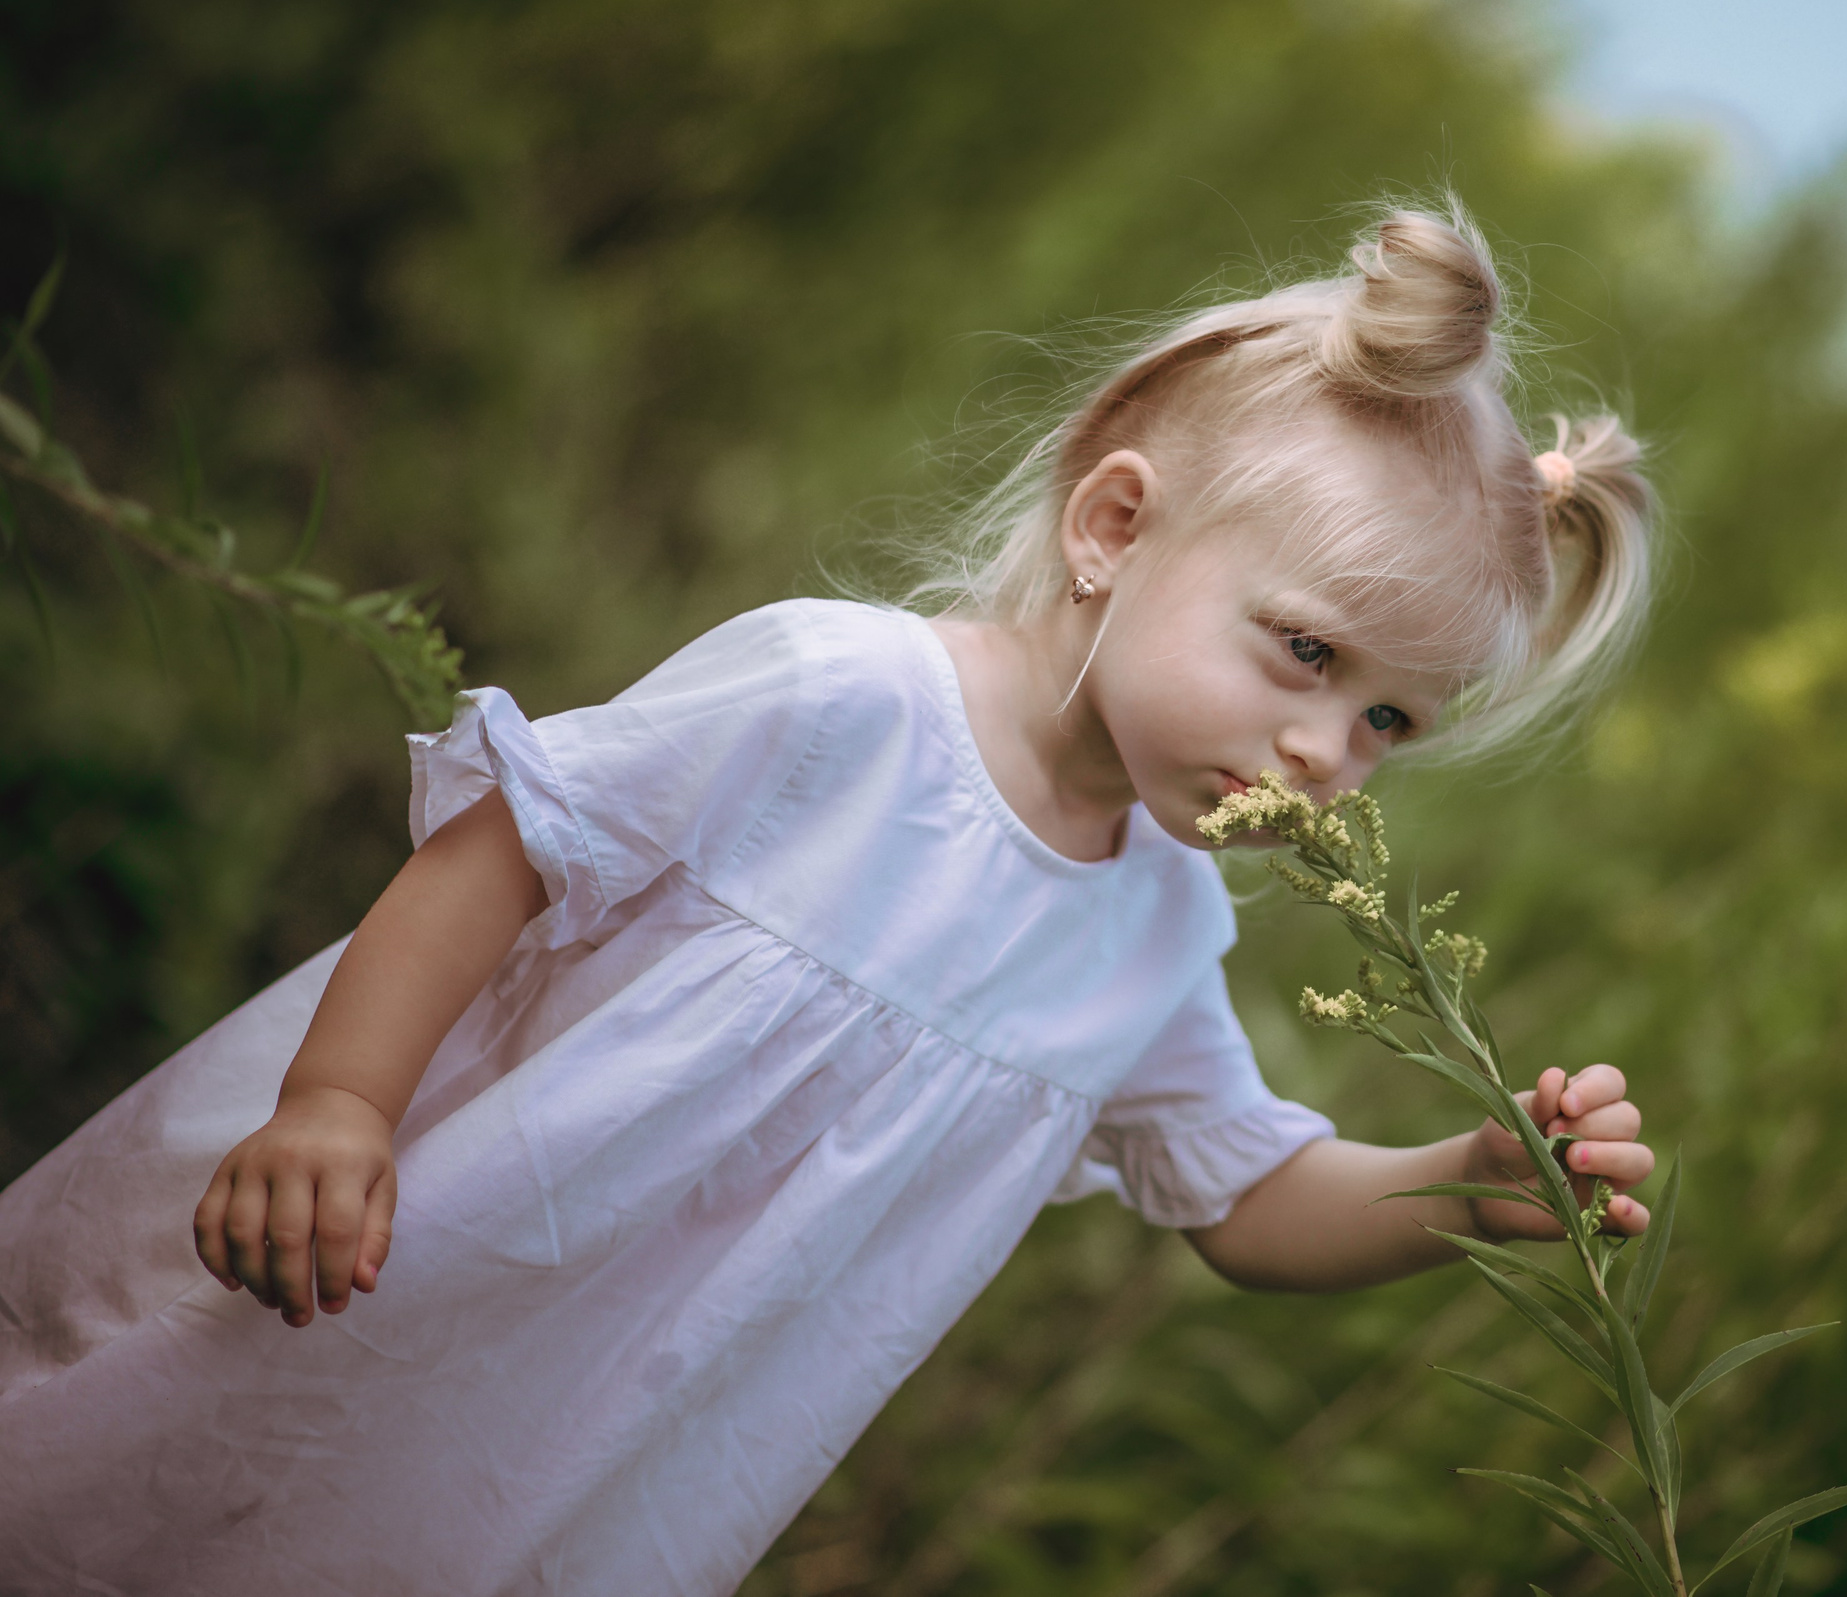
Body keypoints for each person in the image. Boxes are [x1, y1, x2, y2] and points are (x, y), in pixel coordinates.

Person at [0, 205, 1660, 1595]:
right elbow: (508, 846)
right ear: (1114, 526)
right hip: (397, 1231)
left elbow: (1242, 1195)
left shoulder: (1158, 928)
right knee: (146, 1461)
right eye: (1304, 651)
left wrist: (1460, 1183)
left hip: (588, 1423)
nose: (1326, 749)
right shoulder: (843, 697)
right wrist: (340, 1103)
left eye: (1389, 721)